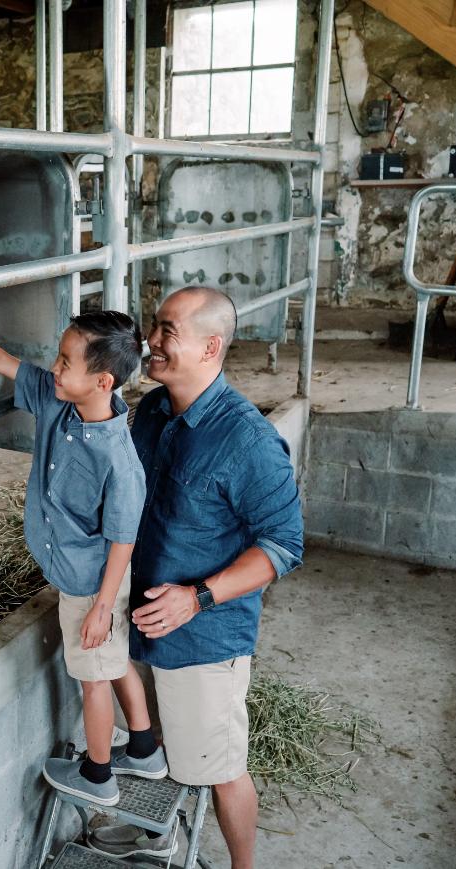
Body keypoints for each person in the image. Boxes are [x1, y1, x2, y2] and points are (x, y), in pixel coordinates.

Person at [0, 306, 166, 806]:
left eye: (66, 361)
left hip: (93, 585)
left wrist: (103, 606)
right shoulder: (58, 399)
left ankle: (99, 773)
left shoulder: (119, 461)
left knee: (93, 679)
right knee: (112, 659)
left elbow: (124, 539)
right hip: (85, 578)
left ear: (102, 380)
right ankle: (145, 747)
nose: (55, 368)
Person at [128, 286, 304, 869]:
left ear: (210, 347)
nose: (150, 340)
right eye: (154, 325)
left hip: (203, 638)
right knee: (158, 753)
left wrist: (197, 598)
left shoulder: (249, 440)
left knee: (221, 768)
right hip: (138, 622)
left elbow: (282, 546)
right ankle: (163, 839)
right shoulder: (152, 412)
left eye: (166, 332)